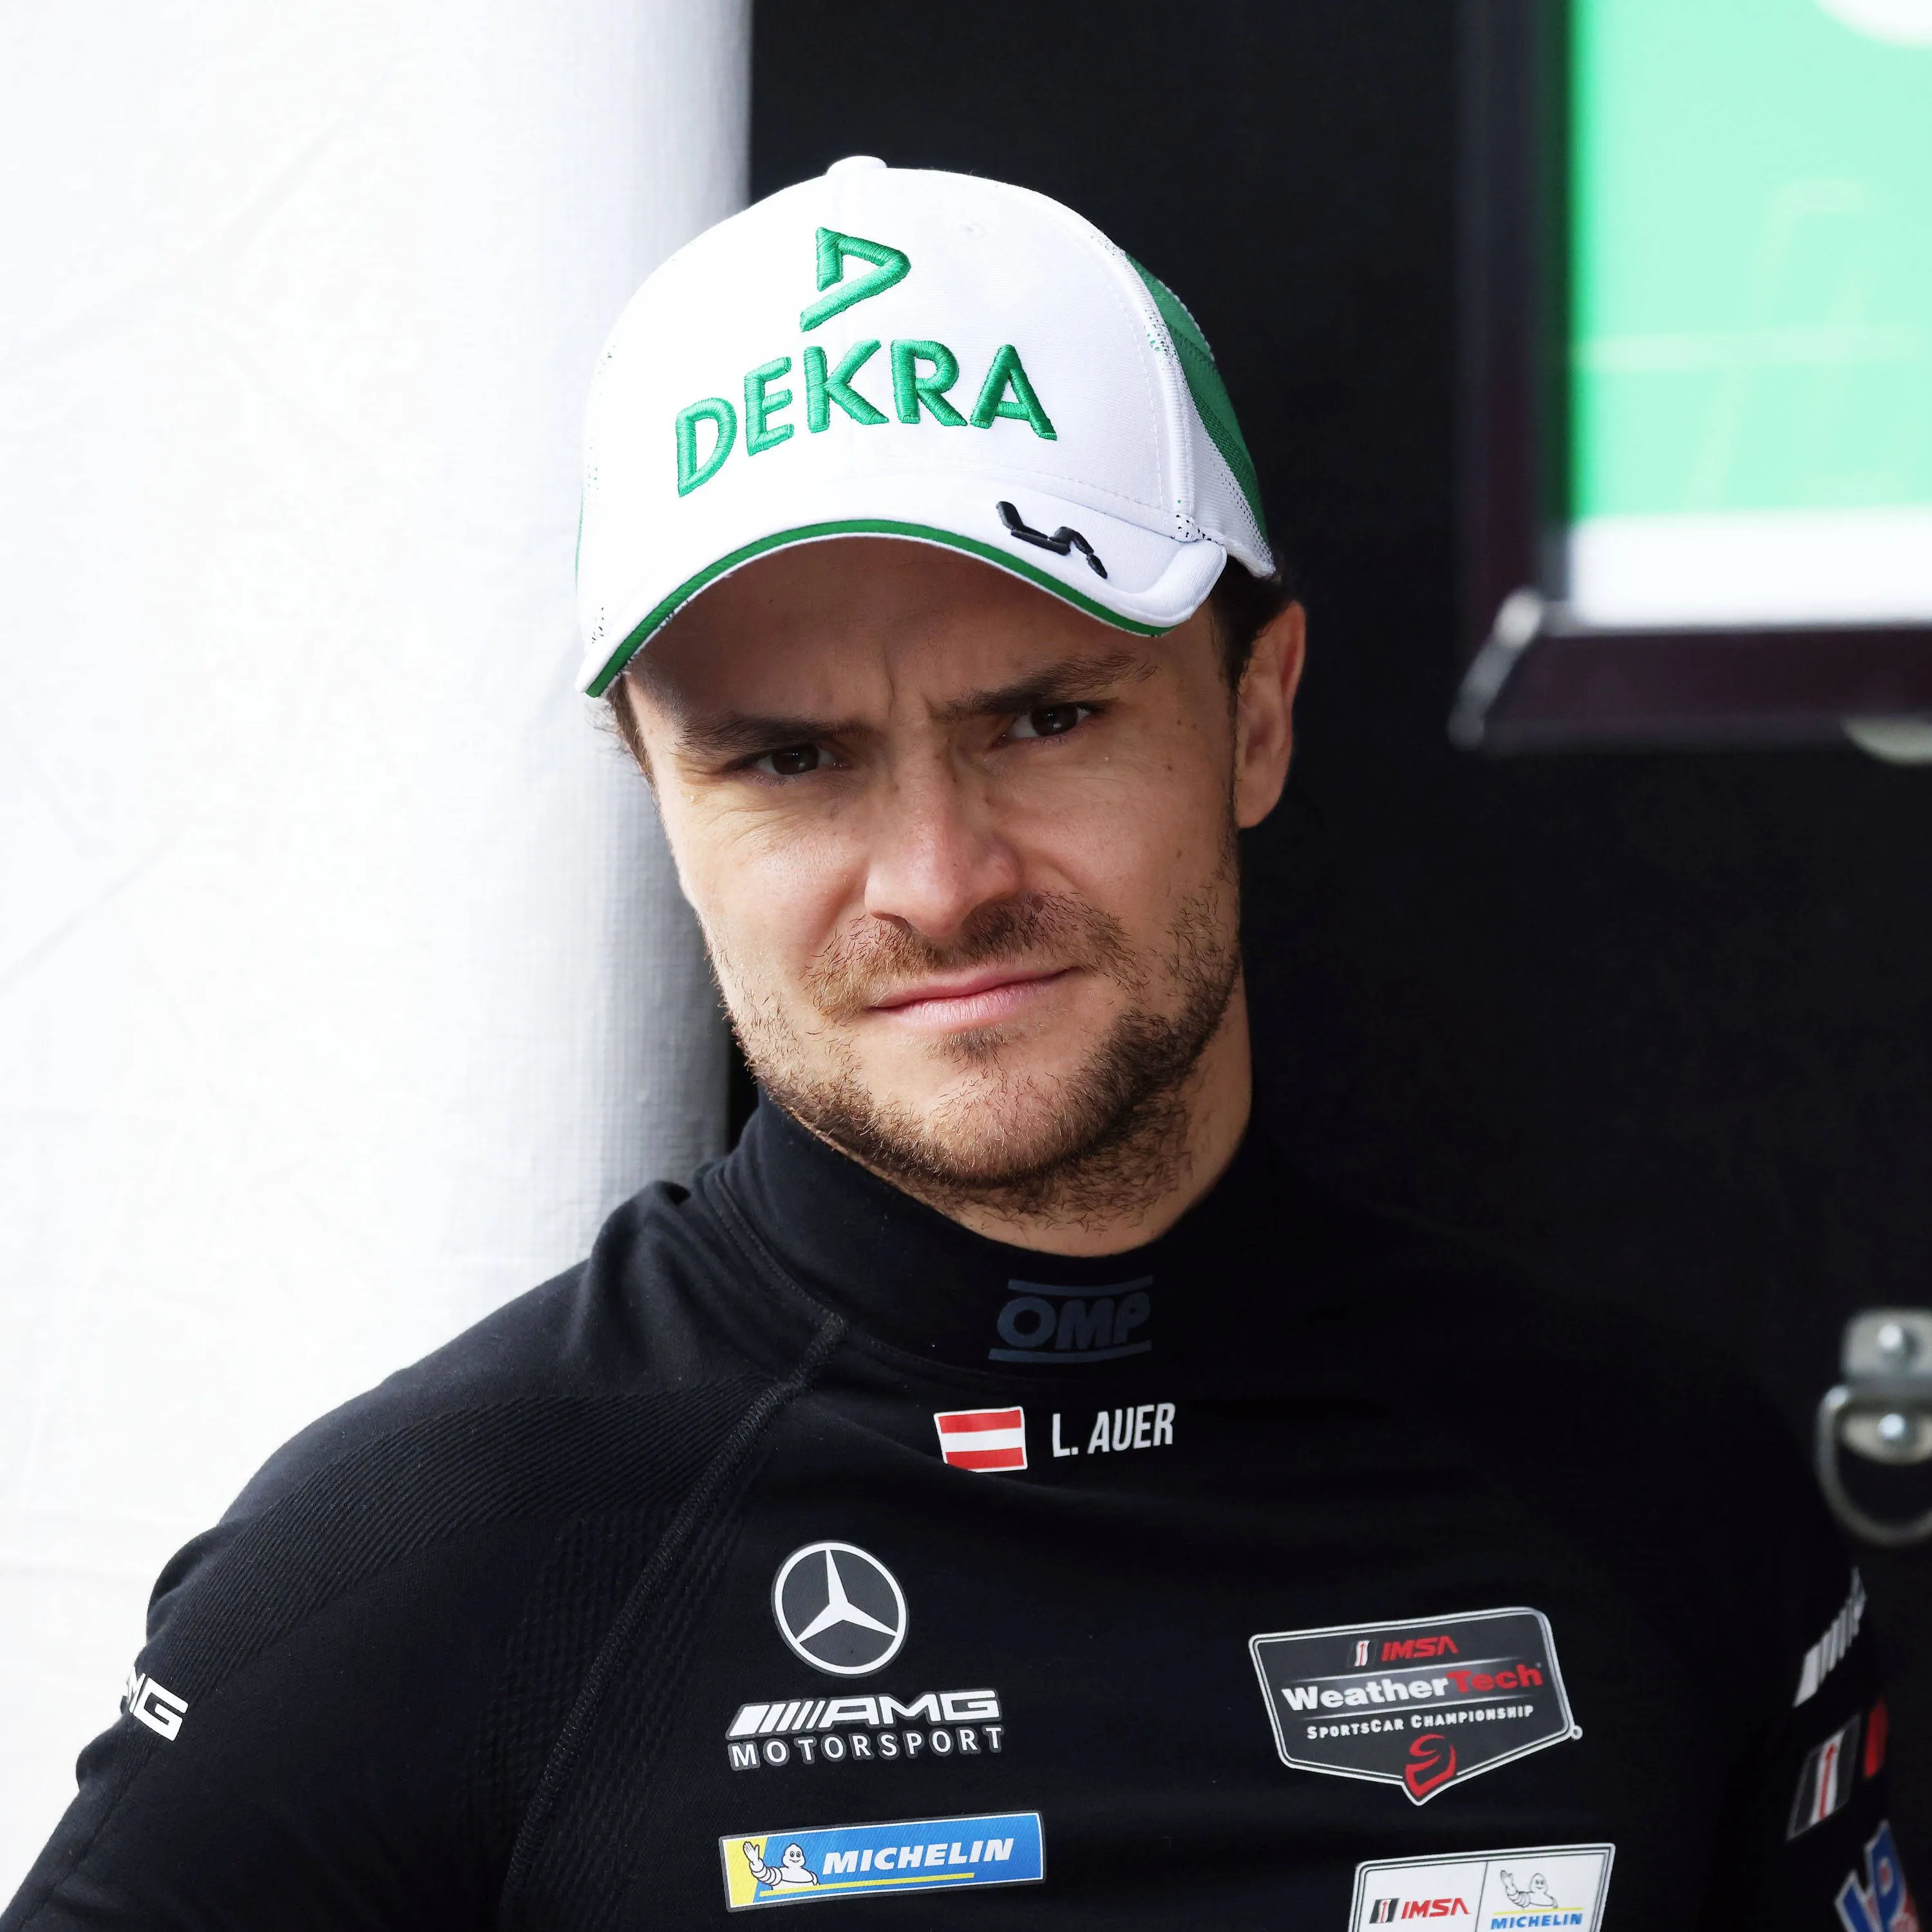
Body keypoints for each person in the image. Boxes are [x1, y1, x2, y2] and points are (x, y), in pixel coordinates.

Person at [5, 158, 1912, 1932]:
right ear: (660, 796)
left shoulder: (1667, 1496)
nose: (936, 882)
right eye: (788, 761)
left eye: (1045, 720)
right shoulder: (421, 1567)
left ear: (1257, 716)